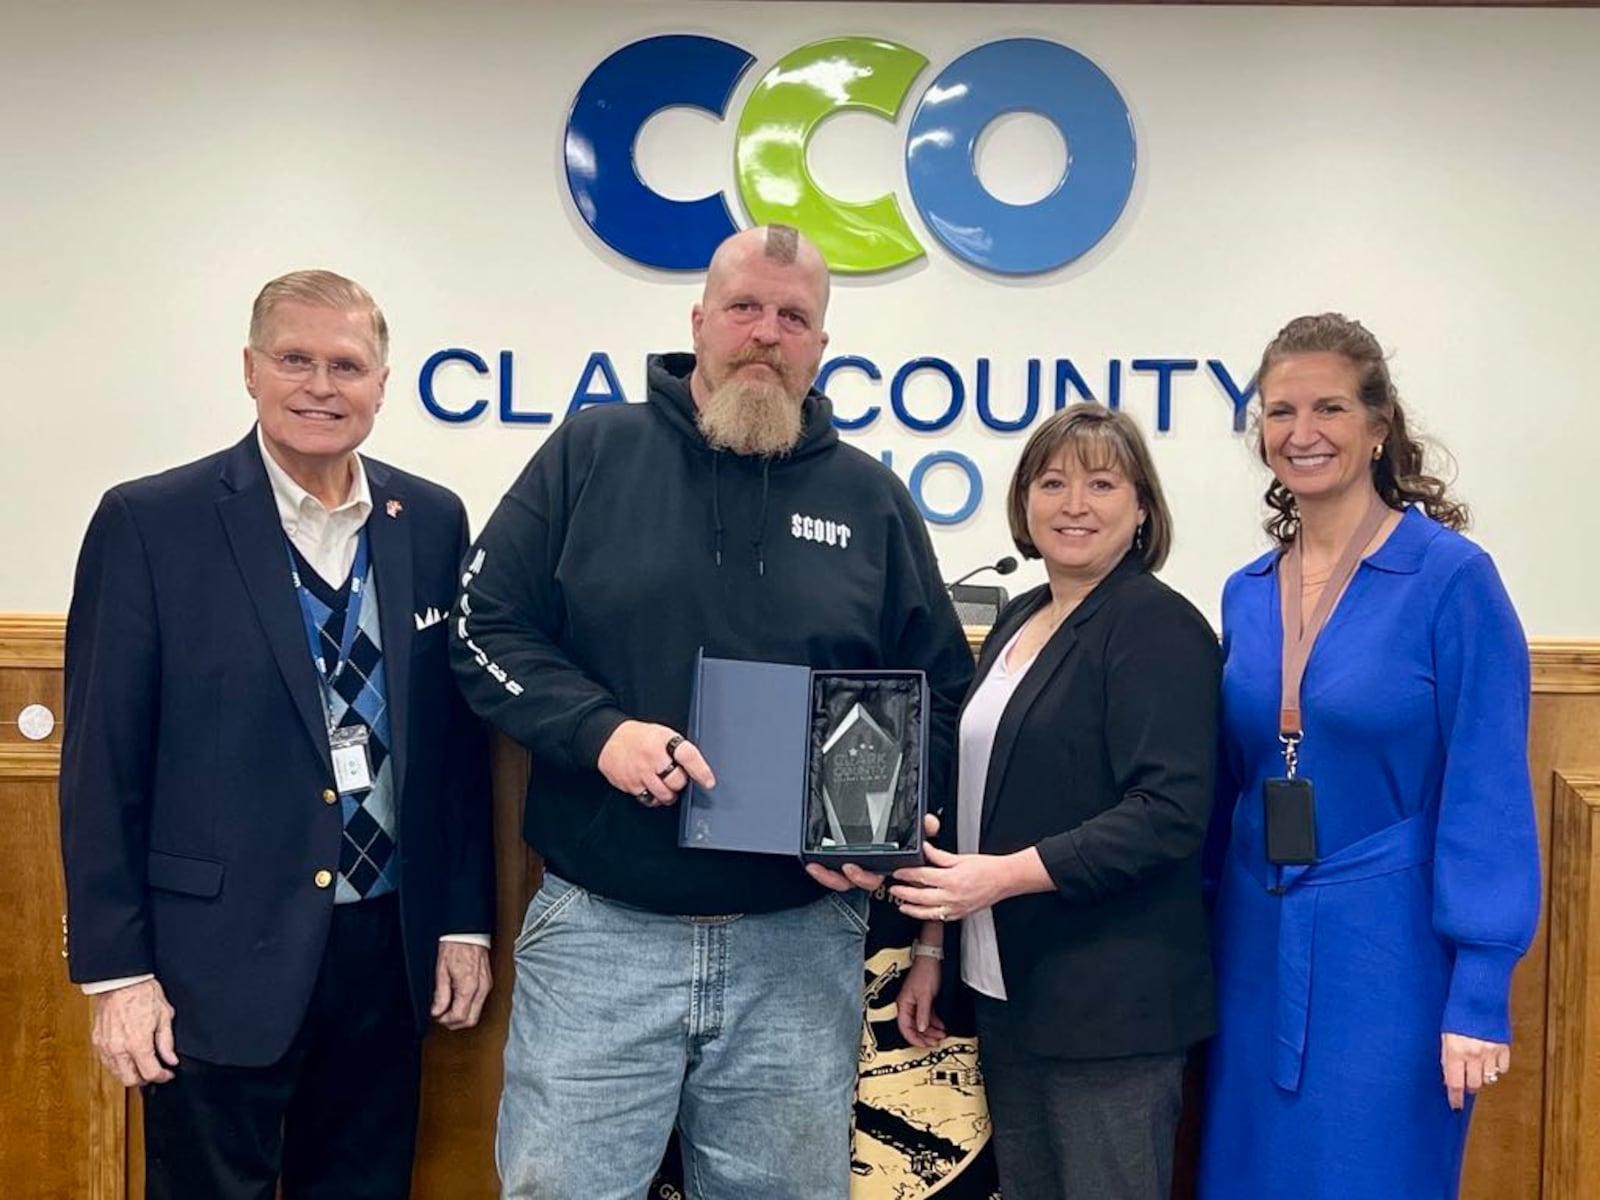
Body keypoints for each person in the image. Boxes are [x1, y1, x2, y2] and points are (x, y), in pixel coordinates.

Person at [450, 223, 974, 1199]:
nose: (765, 334)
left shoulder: (871, 500)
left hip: (799, 944)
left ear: (821, 342)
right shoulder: (590, 454)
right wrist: (597, 731)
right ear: (698, 321)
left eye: (793, 317)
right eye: (744, 308)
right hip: (603, 932)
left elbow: (938, 687)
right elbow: (485, 628)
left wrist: (885, 830)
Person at [59, 270, 495, 1199]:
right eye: (295, 359)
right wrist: (116, 973)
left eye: (347, 364)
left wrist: (462, 920)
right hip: (214, 963)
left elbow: (454, 755)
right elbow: (101, 765)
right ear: (249, 370)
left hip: (386, 954)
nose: (320, 386)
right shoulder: (151, 523)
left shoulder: (432, 522)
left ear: (383, 383)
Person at [1197, 313, 1541, 1199]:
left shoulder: (1451, 580)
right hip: (1252, 937)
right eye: (1279, 412)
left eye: (1330, 408)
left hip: (1389, 954)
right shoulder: (1245, 592)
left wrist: (1479, 990)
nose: (1300, 433)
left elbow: (1488, 790)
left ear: (1380, 425)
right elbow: (1228, 784)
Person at [892, 404, 1220, 1200]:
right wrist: (933, 946)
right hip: (1009, 994)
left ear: (1142, 508)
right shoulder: (1018, 616)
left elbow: (1168, 813)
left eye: (1102, 483)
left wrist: (1001, 879)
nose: (1075, 504)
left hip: (1111, 1010)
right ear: (1024, 502)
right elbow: (971, 799)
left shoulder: (1157, 625)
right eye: (1053, 482)